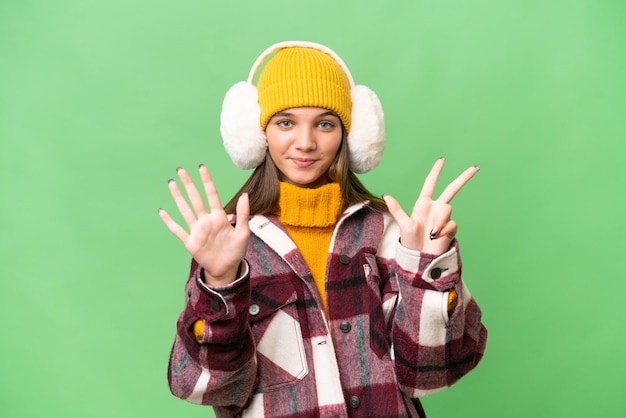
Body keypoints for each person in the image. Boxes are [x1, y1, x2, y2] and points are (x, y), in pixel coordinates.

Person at [159, 41, 487, 417]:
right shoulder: (231, 245)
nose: (305, 142)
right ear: (256, 132)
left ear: (351, 135)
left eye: (325, 124)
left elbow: (428, 375)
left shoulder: (388, 233)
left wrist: (427, 268)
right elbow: (204, 386)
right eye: (285, 122)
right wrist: (220, 285)